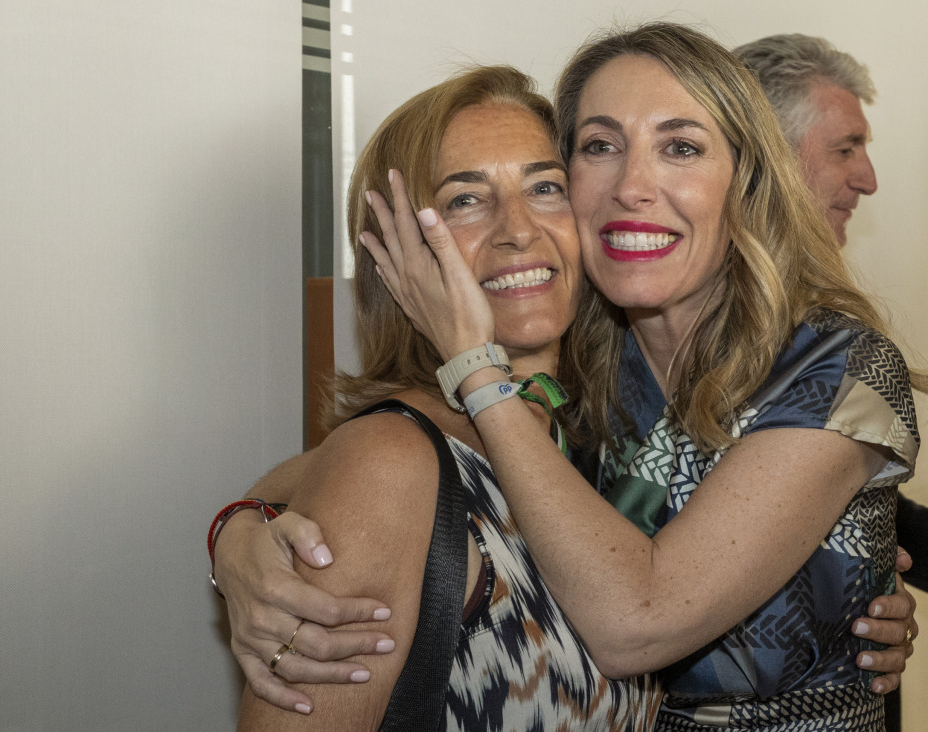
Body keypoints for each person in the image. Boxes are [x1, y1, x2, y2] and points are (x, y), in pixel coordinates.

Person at [213, 28, 921, 729]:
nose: (632, 186)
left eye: (681, 147)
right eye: (600, 147)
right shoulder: (591, 377)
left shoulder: (825, 366)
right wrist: (238, 534)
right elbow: (374, 463)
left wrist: (475, 368)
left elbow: (637, 619)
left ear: (749, 178)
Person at [231, 64, 666, 730]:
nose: (518, 229)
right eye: (464, 200)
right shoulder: (390, 461)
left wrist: (234, 522)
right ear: (395, 255)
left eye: (544, 187)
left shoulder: (586, 431)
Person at [735, 33, 928, 609]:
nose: (868, 178)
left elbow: (806, 485)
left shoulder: (807, 315)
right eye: (845, 149)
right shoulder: (674, 312)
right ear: (766, 152)